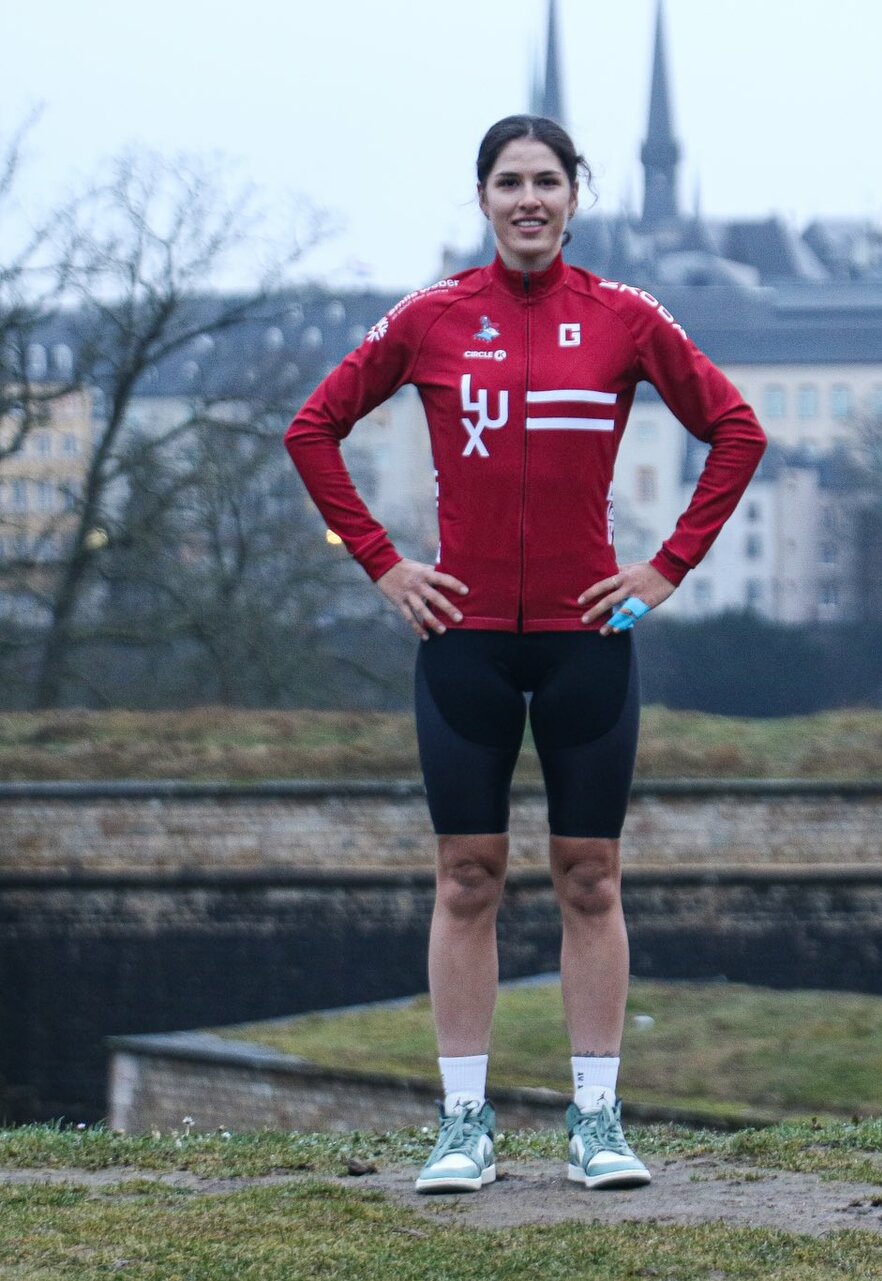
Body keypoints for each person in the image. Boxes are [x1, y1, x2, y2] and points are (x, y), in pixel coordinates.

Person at [284, 114, 765, 1193]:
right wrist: (384, 564)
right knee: (467, 879)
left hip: (588, 637)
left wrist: (665, 570)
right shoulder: (433, 317)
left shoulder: (626, 319)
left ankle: (597, 1119)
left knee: (590, 878)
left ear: (576, 196)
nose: (529, 199)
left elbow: (737, 431)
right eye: (510, 182)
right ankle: (465, 1123)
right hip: (463, 644)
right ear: (485, 197)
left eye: (548, 181)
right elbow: (311, 429)